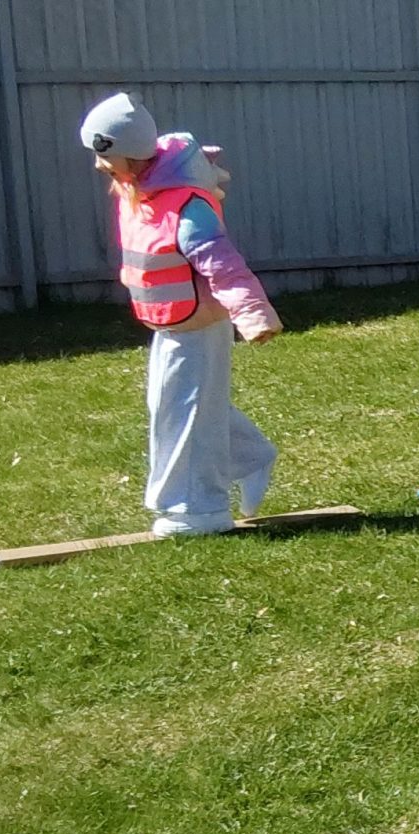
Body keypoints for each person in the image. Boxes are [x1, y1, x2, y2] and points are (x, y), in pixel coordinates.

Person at [77, 92, 281, 538]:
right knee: (176, 403)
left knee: (185, 409)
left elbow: (221, 262)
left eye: (104, 155)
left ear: (132, 153)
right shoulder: (140, 194)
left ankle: (197, 509)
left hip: (199, 324)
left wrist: (252, 314)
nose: (98, 165)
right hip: (171, 323)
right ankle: (249, 457)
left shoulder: (185, 204)